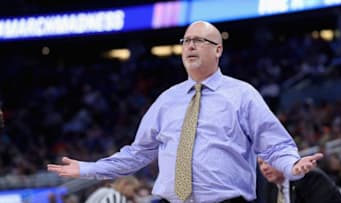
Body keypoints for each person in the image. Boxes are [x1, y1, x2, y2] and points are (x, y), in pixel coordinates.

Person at [48, 21, 323, 203]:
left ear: (218, 49)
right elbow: (136, 154)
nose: (190, 45)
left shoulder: (242, 95)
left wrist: (293, 166)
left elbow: (275, 146)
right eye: (186, 40)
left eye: (199, 40)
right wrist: (87, 168)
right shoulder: (167, 100)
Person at [256, 157, 341, 203]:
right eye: (260, 164)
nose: (264, 168)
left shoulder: (309, 178)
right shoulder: (269, 188)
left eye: (267, 162)